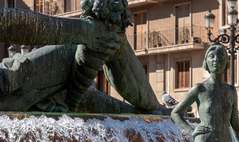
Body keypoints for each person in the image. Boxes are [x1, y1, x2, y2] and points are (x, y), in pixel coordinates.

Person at [0, 7, 162, 113]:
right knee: (106, 35)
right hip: (10, 85)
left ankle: (151, 112)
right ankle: (153, 112)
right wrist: (85, 31)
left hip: (12, 83)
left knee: (106, 37)